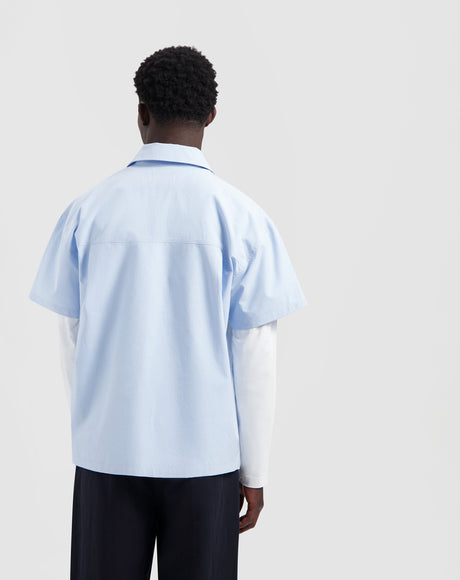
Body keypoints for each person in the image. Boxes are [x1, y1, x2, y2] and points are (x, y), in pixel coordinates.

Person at [29, 45, 307, 580]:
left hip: (108, 454)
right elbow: (255, 354)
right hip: (208, 462)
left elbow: (72, 336)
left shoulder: (88, 212)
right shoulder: (242, 218)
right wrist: (255, 470)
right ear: (211, 116)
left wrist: (95, 425)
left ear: (141, 112)